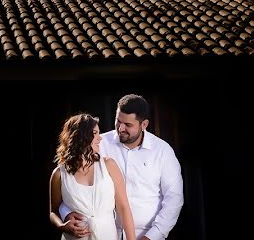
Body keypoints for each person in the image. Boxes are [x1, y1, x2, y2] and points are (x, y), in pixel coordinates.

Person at [60, 95, 183, 240]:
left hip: (147, 234)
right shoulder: (98, 144)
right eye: (118, 121)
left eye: (128, 125)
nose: (121, 128)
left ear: (144, 124)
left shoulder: (163, 151)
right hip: (105, 234)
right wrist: (66, 213)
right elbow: (70, 186)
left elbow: (174, 200)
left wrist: (152, 236)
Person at [49, 113, 136, 240]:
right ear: (80, 136)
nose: (100, 138)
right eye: (95, 133)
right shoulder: (59, 174)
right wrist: (62, 226)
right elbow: (53, 212)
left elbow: (124, 207)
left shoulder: (109, 165)